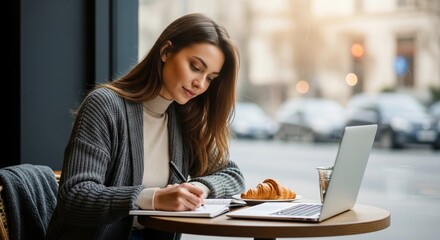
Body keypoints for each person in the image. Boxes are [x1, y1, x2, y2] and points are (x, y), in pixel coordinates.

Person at [46, 13, 245, 240]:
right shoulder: (105, 106)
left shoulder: (182, 120)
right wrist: (153, 198)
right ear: (166, 52)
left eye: (210, 78)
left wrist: (200, 188)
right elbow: (75, 196)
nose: (200, 83)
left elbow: (232, 173)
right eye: (195, 67)